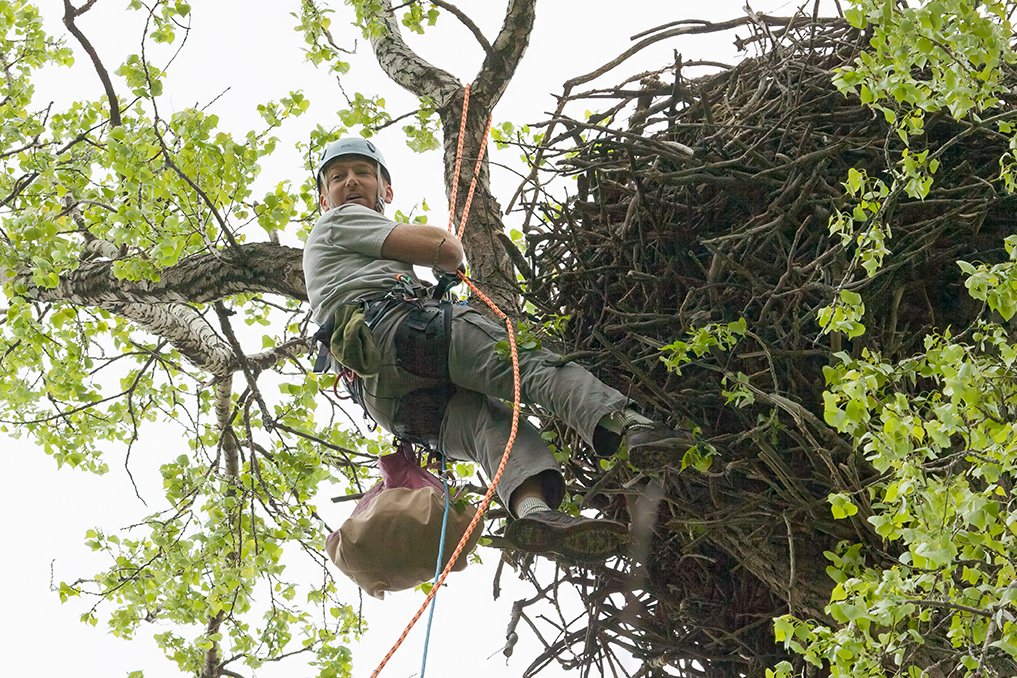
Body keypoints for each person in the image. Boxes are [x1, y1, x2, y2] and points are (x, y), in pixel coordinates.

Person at [303, 137, 688, 563]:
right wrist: (445, 259)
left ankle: (535, 511)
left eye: (362, 172)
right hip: (405, 331)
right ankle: (631, 425)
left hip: (389, 401)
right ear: (325, 198)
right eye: (338, 177)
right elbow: (444, 248)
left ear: (386, 190)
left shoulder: (337, 254)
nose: (351, 182)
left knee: (495, 428)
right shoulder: (340, 221)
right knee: (529, 366)